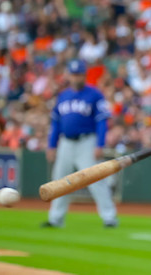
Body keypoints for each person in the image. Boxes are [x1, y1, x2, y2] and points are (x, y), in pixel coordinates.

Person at [42, 59, 118, 228]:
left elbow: (101, 122)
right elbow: (56, 124)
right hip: (66, 143)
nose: (77, 78)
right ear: (69, 75)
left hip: (87, 142)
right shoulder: (63, 96)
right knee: (60, 182)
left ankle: (109, 217)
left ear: (84, 75)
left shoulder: (94, 94)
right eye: (74, 74)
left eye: (80, 74)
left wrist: (100, 144)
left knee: (96, 179)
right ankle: (55, 219)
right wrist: (52, 145)